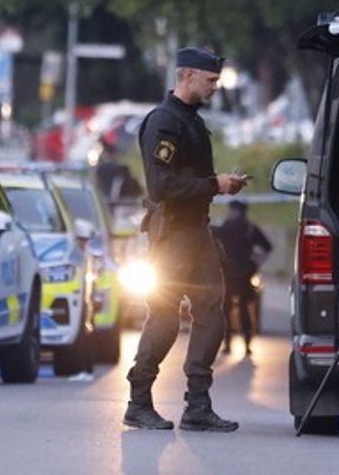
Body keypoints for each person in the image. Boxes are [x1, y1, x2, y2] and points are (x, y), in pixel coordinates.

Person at [123, 47, 249, 433]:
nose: (214, 87)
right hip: (172, 235)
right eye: (210, 80)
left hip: (197, 231)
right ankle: (139, 401)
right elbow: (162, 185)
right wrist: (215, 184)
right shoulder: (164, 122)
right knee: (163, 318)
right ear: (188, 75)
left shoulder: (191, 121)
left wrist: (217, 188)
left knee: (212, 314)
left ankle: (198, 404)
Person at [214, 200, 272, 356]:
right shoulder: (250, 229)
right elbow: (267, 247)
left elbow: (210, 243)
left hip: (228, 275)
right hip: (244, 275)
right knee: (243, 310)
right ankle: (245, 345)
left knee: (227, 311)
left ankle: (229, 345)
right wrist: (257, 262)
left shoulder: (225, 228)